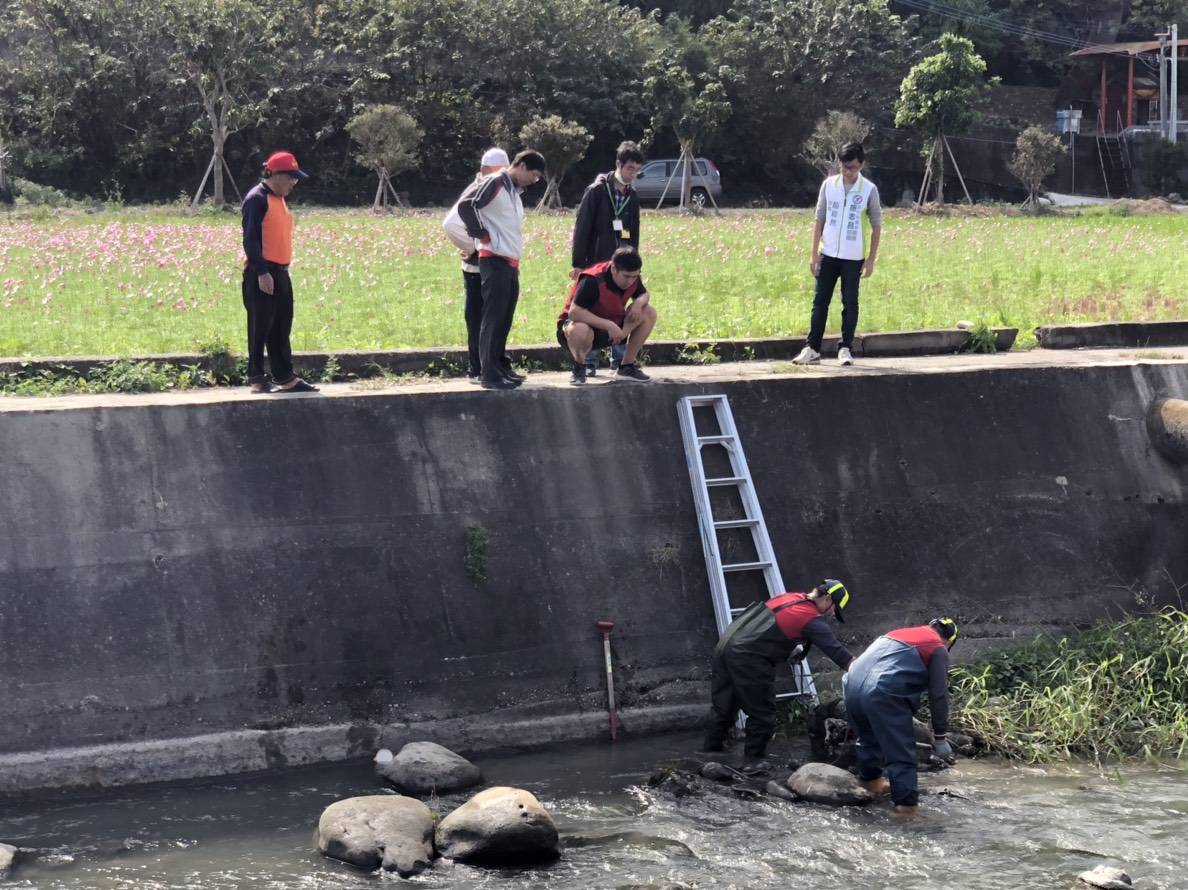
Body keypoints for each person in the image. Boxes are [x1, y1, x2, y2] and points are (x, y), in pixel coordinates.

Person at [703, 580, 854, 761]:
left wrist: (791, 648)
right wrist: (865, 673)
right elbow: (840, 655)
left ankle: (709, 756)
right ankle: (753, 764)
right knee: (762, 716)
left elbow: (773, 625)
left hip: (725, 646)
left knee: (723, 708)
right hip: (748, 658)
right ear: (828, 600)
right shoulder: (811, 619)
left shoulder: (790, 597)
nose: (831, 615)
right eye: (834, 611)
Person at [842, 618, 959, 815]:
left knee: (868, 738)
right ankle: (907, 811)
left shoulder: (893, 634)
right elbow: (938, 695)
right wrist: (940, 737)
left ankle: (872, 783)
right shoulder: (938, 648)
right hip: (883, 691)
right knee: (901, 754)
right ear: (949, 642)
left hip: (851, 686)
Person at [457, 149, 546, 391]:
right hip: (494, 259)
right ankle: (488, 373)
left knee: (504, 318)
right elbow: (467, 205)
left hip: (509, 261)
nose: (534, 181)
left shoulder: (513, 191)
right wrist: (482, 235)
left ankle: (499, 366)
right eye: (535, 175)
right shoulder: (495, 182)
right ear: (523, 166)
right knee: (492, 318)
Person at [793, 142, 883, 367]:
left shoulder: (869, 190)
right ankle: (812, 348)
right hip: (828, 253)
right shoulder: (828, 186)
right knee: (819, 301)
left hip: (853, 257)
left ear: (861, 165)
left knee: (850, 303)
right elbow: (819, 219)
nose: (847, 172)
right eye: (843, 167)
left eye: (851, 167)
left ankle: (845, 348)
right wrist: (814, 254)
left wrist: (871, 258)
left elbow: (877, 225)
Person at [241, 150, 318, 394]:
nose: (294, 183)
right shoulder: (256, 199)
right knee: (260, 326)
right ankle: (256, 377)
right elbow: (250, 239)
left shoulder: (279, 198)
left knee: (281, 326)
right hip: (262, 272)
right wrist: (262, 272)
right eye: (291, 177)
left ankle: (285, 377)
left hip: (281, 271)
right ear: (275, 175)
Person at [571, 141, 645, 377]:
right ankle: (590, 361)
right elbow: (582, 227)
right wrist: (578, 263)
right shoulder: (597, 191)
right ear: (618, 165)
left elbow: (634, 228)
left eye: (637, 170)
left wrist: (633, 259)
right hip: (596, 260)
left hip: (622, 263)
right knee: (593, 307)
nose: (633, 174)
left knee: (621, 308)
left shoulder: (632, 195)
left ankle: (620, 358)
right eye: (630, 168)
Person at [443, 147, 513, 383]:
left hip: (496, 264)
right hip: (479, 268)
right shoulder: (480, 188)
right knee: (479, 320)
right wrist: (475, 246)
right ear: (485, 170)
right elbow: (451, 224)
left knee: (497, 318)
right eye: (499, 171)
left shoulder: (498, 187)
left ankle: (496, 364)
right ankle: (477, 368)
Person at [557, 246, 657, 385]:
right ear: (614, 269)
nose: (631, 281)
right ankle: (579, 366)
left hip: (612, 328)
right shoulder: (592, 279)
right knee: (579, 329)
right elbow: (575, 313)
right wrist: (608, 325)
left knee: (648, 312)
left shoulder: (633, 277)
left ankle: (626, 366)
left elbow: (643, 294)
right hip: (581, 329)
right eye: (627, 276)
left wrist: (638, 303)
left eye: (635, 276)